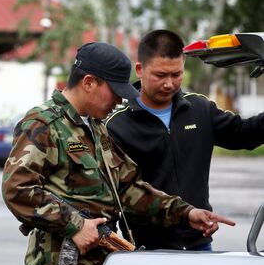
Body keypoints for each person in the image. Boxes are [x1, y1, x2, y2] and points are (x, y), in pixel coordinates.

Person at [1, 41, 235, 265]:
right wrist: (75, 223)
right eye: (115, 93)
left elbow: (129, 188)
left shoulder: (95, 129)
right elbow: (17, 188)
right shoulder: (43, 124)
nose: (118, 102)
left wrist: (185, 212)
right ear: (89, 83)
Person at [106, 29, 264, 251]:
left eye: (176, 74)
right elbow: (118, 196)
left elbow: (246, 134)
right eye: (161, 75)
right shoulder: (116, 126)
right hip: (147, 251)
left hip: (200, 244)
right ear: (140, 69)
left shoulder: (200, 109)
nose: (169, 84)